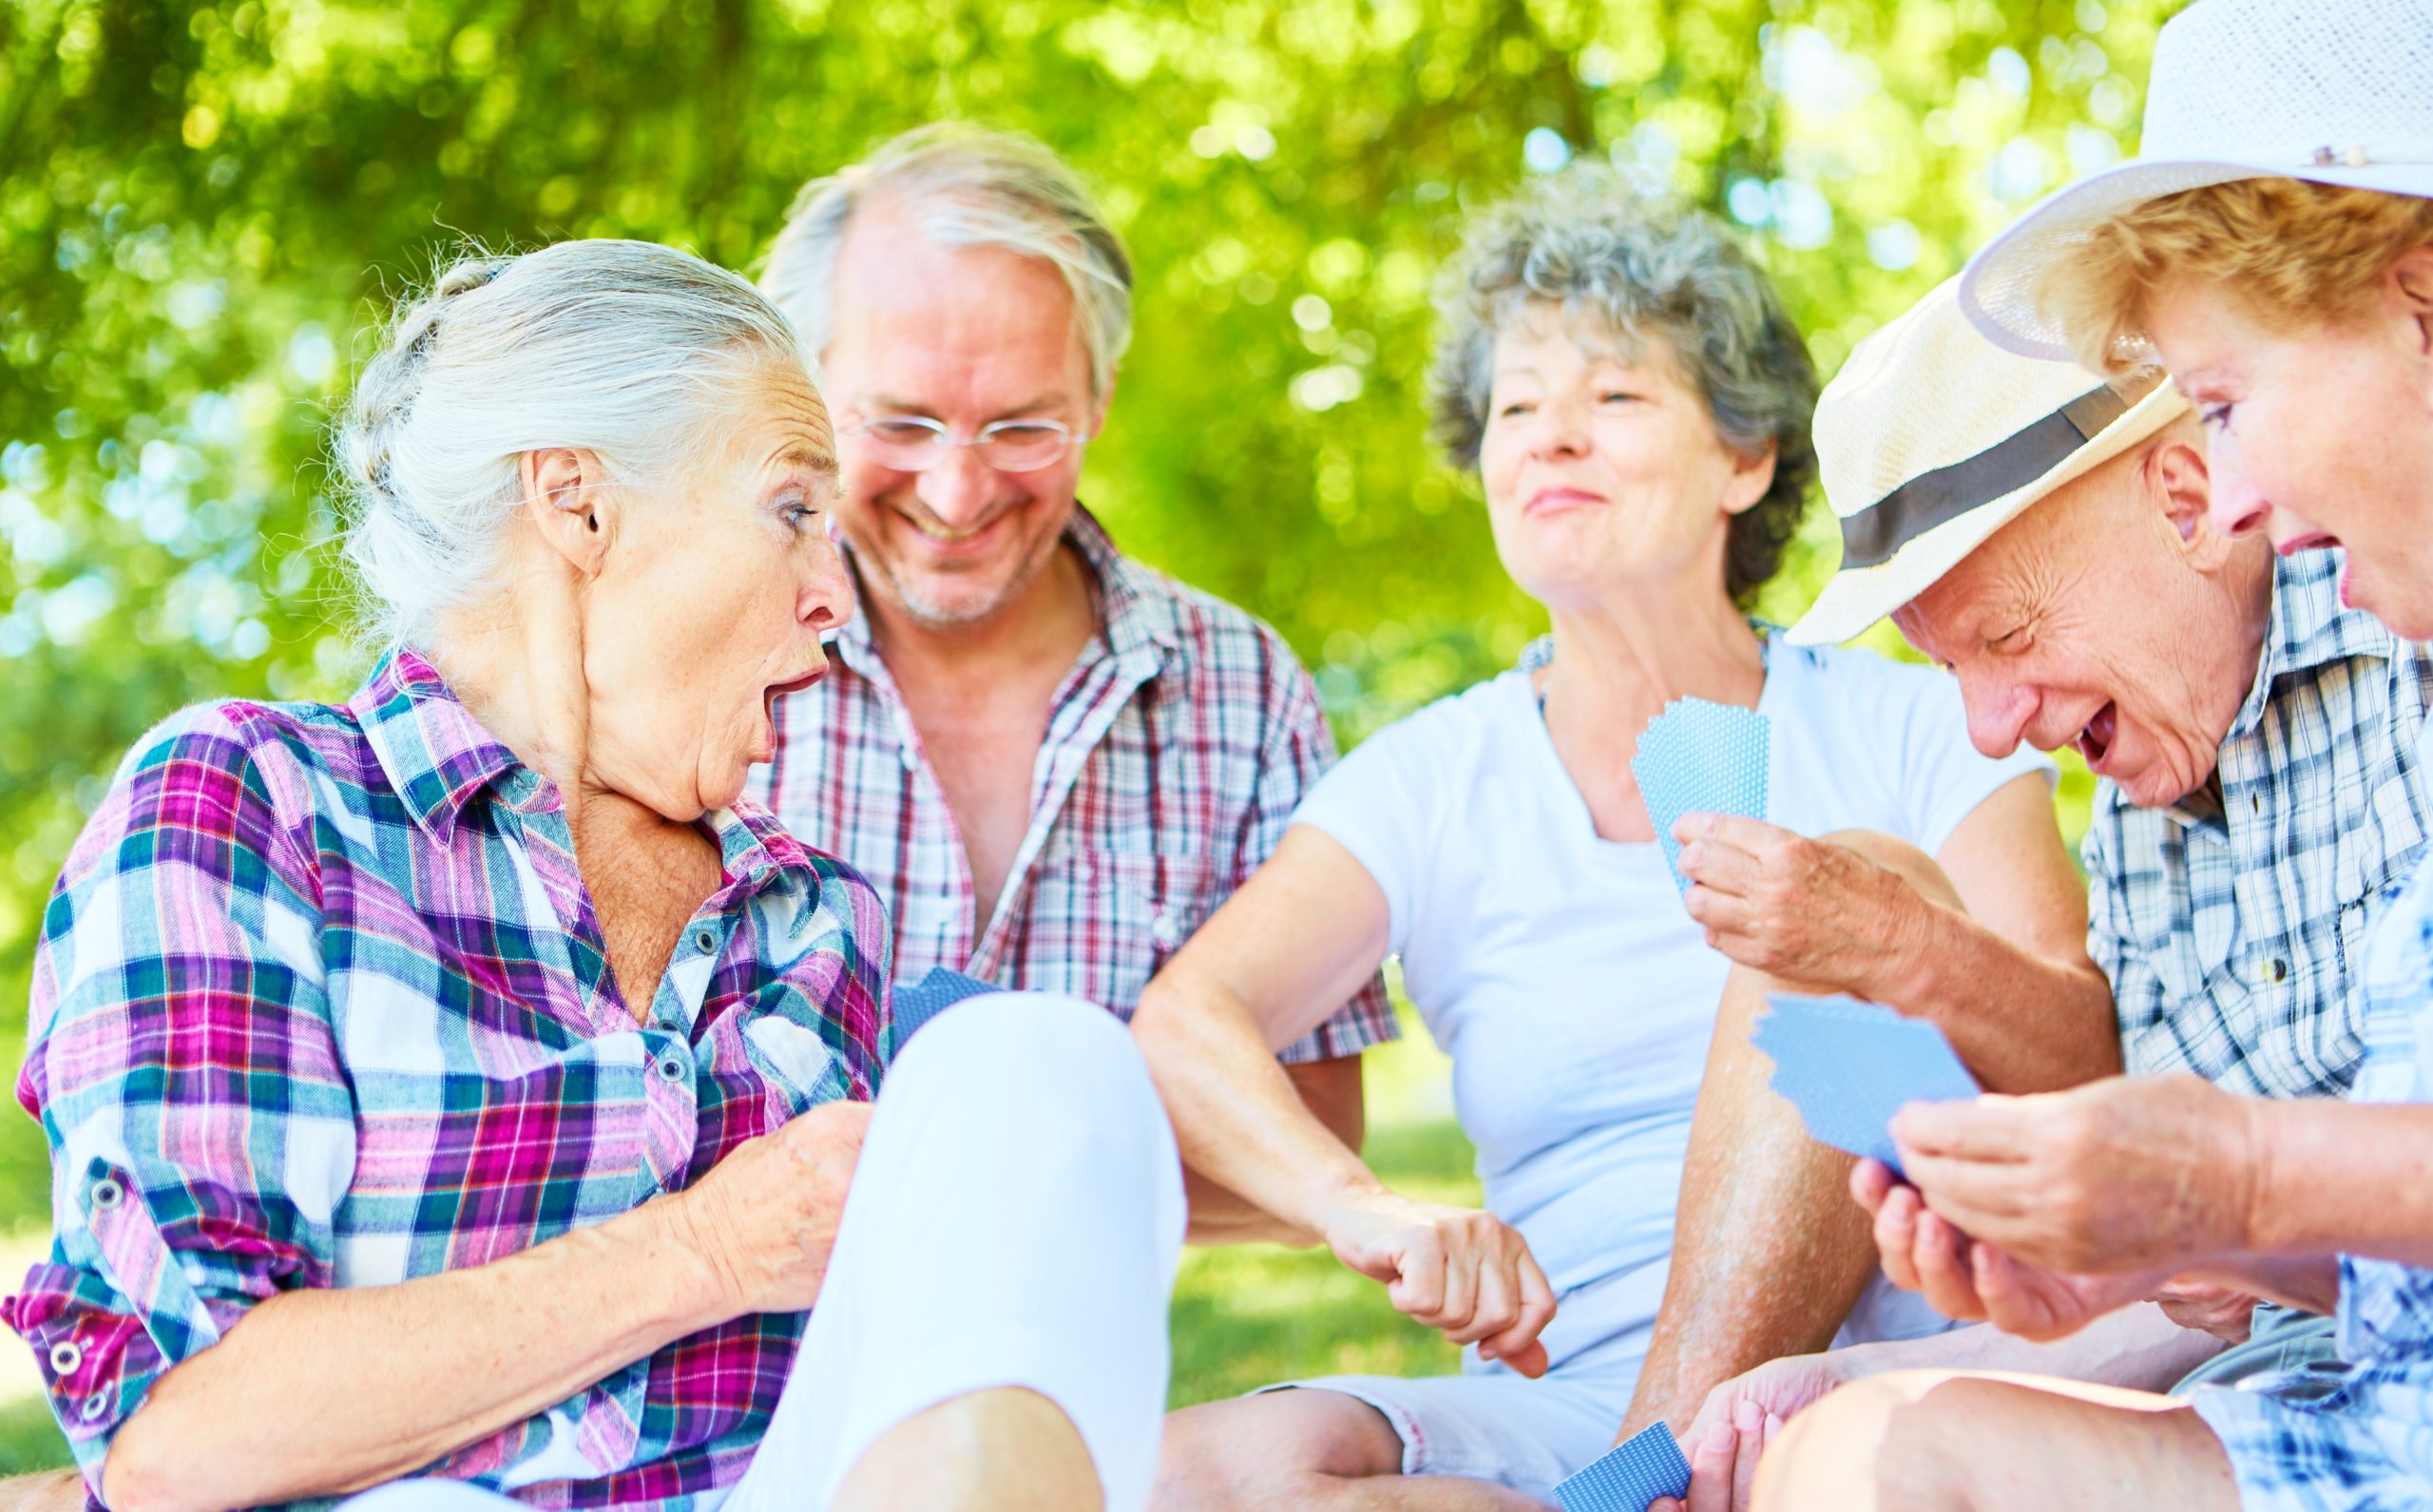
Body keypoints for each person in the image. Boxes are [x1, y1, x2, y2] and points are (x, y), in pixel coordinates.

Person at [0, 241, 1183, 1512]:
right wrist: (708, 1247)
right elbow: (178, 1432)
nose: (840, 595)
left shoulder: (812, 917)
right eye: (793, 509)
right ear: (576, 504)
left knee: (1048, 1058)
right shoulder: (259, 804)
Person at [1141, 169, 2086, 1511]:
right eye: (1517, 408)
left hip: (1879, 1369)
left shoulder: (1928, 721)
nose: (1550, 439)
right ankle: (1637, 1483)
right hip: (1574, 1404)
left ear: (1745, 459)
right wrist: (1364, 1205)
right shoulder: (1432, 774)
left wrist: (1882, 933)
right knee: (1196, 1474)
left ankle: (1651, 1475)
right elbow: (1188, 1020)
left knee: (1836, 897)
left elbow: (2079, 1055)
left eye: (1616, 398)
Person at [1753, 0, 2433, 1512]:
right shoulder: (2177, 781)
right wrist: (2171, 1245)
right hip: (2346, 1428)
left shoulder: (2390, 647)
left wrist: (2234, 1179)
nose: (2240, 487)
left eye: (2226, 399)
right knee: (1854, 1452)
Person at [751, 124, 1392, 1235]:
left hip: (1063, 1392)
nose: (956, 491)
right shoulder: (701, 653)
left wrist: (993, 1168)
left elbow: (1315, 1133)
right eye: (901, 422)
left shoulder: (1241, 694)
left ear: (1095, 397)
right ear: (806, 394)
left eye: (1021, 426)